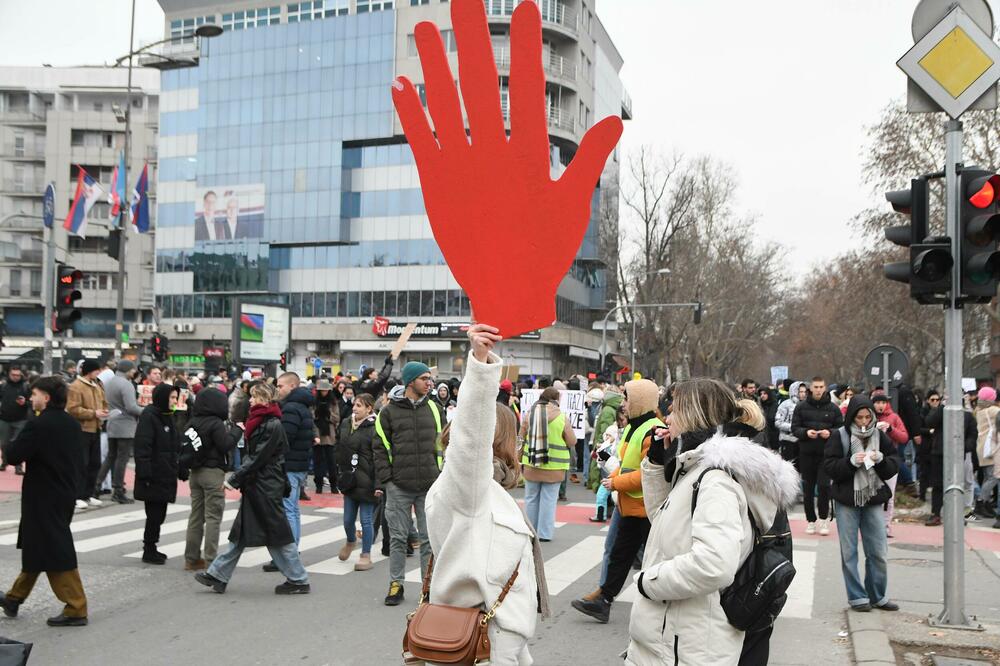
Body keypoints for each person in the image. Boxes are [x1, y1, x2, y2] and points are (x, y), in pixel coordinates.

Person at [624, 378, 799, 665]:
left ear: (694, 415)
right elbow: (665, 524)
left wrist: (647, 581)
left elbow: (713, 565)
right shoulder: (698, 469)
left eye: (674, 410)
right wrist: (656, 465)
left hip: (687, 646)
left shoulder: (715, 480)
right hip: (674, 639)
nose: (666, 418)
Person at [425, 323, 546, 665]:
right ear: (499, 440)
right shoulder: (469, 484)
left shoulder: (487, 488)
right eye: (516, 438)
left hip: (497, 634)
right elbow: (470, 439)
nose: (519, 446)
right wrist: (480, 364)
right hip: (480, 639)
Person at [195, 383, 310, 595]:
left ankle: (299, 578)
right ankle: (218, 575)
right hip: (259, 485)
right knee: (242, 534)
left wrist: (234, 479)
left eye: (255, 397)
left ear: (265, 400)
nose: (250, 401)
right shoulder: (261, 421)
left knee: (277, 536)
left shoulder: (271, 424)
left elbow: (258, 458)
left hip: (266, 486)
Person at [572, 378, 663, 624]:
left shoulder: (652, 429)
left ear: (641, 401)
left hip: (646, 507)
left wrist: (616, 483)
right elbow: (625, 465)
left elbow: (649, 473)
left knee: (648, 559)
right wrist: (613, 477)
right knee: (621, 555)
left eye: (628, 398)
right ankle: (603, 599)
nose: (624, 403)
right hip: (632, 506)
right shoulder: (636, 426)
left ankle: (608, 599)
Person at [0, 377, 89, 626]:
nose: (31, 398)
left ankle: (76, 607)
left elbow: (16, 455)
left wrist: (9, 444)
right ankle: (14, 597)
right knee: (38, 545)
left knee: (54, 548)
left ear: (47, 397)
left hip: (42, 495)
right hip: (64, 492)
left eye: (35, 393)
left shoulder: (38, 425)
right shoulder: (72, 424)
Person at [372, 361, 442, 606]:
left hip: (429, 486)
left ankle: (428, 587)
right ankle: (396, 584)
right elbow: (379, 448)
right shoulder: (388, 412)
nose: (429, 382)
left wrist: (441, 475)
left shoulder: (434, 408)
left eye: (429, 378)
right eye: (424, 378)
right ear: (410, 381)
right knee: (398, 539)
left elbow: (443, 444)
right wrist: (388, 481)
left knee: (428, 540)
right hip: (399, 487)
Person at [824, 396, 901, 612]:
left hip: (873, 498)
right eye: (860, 417)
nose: (864, 421)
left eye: (868, 417)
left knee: (878, 551)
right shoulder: (839, 436)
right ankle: (857, 597)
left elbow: (893, 465)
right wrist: (849, 462)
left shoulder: (879, 435)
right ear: (851, 417)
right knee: (849, 553)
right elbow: (829, 467)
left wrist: (881, 460)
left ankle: (878, 596)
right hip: (847, 500)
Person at [182, 387, 241, 571]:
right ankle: (211, 560)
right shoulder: (215, 423)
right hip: (213, 472)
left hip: (196, 472)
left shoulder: (192, 422)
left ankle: (191, 558)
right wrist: (237, 431)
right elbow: (225, 445)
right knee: (213, 517)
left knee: (196, 516)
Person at [263, 372, 315, 573]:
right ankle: (290, 552)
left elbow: (284, 438)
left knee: (288, 509)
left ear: (292, 386)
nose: (278, 389)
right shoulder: (300, 406)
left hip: (290, 465)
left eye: (281, 385)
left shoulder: (292, 408)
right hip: (297, 464)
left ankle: (288, 555)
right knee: (291, 508)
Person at [519, 387, 576, 542]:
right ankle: (544, 533)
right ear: (556, 399)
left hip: (532, 464)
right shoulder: (562, 417)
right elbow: (572, 441)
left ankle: (530, 531)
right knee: (549, 500)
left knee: (530, 498)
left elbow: (520, 437)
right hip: (555, 467)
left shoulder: (529, 414)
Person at [134, 383, 181, 565]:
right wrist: (144, 473)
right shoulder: (150, 416)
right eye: (172, 397)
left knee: (159, 513)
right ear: (162, 397)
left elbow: (174, 444)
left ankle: (152, 546)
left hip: (165, 472)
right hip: (153, 474)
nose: (174, 401)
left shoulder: (168, 416)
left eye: (176, 398)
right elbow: (143, 445)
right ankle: (149, 548)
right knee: (154, 514)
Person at [791, 377, 843, 535]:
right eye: (816, 387)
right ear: (811, 388)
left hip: (826, 453)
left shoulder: (834, 408)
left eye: (821, 386)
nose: (819, 389)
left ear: (825, 388)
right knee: (807, 488)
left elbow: (841, 428)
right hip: (806, 452)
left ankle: (823, 519)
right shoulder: (801, 407)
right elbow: (795, 428)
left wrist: (831, 433)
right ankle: (811, 521)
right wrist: (806, 433)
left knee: (824, 487)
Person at [335, 393, 378, 571]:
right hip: (349, 480)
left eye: (359, 406)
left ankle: (366, 554)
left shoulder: (375, 426)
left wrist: (379, 484)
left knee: (366, 520)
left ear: (369, 408)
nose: (354, 408)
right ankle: (351, 541)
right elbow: (340, 448)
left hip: (368, 480)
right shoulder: (346, 423)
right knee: (347, 520)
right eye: (354, 405)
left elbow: (379, 456)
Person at [922, 398, 977, 526]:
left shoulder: (968, 417)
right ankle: (936, 514)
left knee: (957, 486)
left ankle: (959, 514)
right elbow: (929, 422)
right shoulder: (941, 413)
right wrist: (942, 408)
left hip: (957, 456)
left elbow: (972, 436)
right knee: (937, 485)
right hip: (939, 454)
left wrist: (963, 447)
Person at [66, 359, 109, 510]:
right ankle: (77, 495)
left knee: (94, 463)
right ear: (89, 370)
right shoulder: (76, 387)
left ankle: (88, 494)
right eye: (96, 370)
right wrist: (93, 413)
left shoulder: (97, 385)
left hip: (96, 427)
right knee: (81, 464)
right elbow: (72, 409)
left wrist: (104, 412)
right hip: (82, 429)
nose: (99, 372)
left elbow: (103, 402)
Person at [100, 360, 143, 504]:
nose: (134, 372)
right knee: (122, 459)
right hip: (125, 425)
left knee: (110, 457)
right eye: (132, 370)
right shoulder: (126, 384)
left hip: (112, 422)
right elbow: (131, 407)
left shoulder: (110, 382)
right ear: (127, 370)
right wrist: (146, 410)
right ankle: (118, 490)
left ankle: (96, 486)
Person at [871, 392, 908, 535]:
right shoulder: (867, 416)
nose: (880, 406)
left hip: (890, 460)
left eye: (883, 402)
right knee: (873, 494)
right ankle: (873, 525)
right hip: (872, 459)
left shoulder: (894, 417)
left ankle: (886, 526)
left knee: (889, 496)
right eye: (877, 402)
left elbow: (904, 437)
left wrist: (891, 429)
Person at [0, 366, 30, 475]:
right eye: (13, 375)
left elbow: (31, 402)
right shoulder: (3, 386)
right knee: (4, 444)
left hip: (20, 420)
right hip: (4, 419)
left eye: (18, 375)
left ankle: (18, 466)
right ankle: (4, 462)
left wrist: (25, 403)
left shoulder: (26, 387)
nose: (16, 377)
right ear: (9, 374)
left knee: (19, 444)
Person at [974, 387, 999, 520]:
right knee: (993, 477)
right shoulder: (994, 410)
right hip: (990, 447)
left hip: (982, 446)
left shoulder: (978, 411)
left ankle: (985, 503)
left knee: (987, 476)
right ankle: (980, 502)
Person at [312, 379, 339, 495]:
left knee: (331, 462)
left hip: (329, 435)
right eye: (322, 390)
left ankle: (334, 485)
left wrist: (328, 413)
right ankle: (319, 485)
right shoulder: (314, 402)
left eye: (326, 390)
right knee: (318, 462)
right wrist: (317, 413)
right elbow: (311, 418)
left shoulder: (333, 402)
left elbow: (337, 418)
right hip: (318, 433)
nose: (324, 392)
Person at [775, 381, 805, 465]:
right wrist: (793, 427)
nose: (803, 394)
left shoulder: (807, 405)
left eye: (804, 392)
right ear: (794, 391)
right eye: (800, 392)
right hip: (787, 441)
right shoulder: (785, 404)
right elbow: (778, 422)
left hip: (802, 441)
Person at [757, 387, 780, 452]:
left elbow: (772, 418)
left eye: (764, 393)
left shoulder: (774, 404)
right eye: (761, 394)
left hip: (774, 434)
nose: (762, 396)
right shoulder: (761, 405)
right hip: (764, 434)